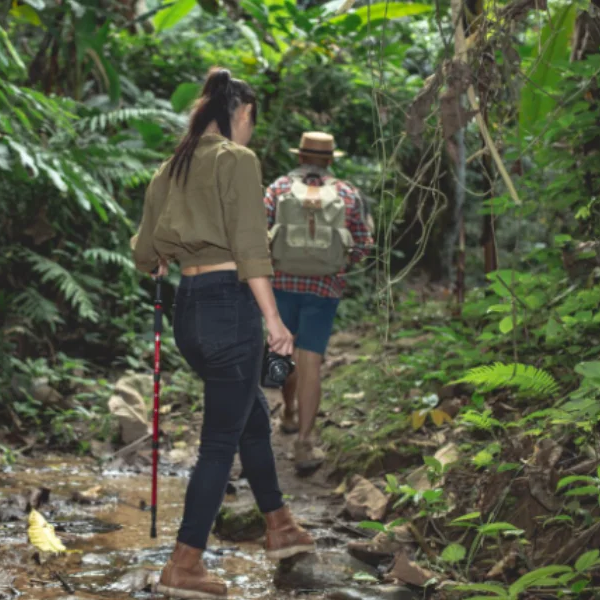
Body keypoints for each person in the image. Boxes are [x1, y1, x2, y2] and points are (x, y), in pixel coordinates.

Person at [132, 67, 316, 599]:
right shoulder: (237, 160)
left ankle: (279, 524)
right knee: (218, 442)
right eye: (251, 123)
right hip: (230, 310)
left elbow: (145, 253)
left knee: (249, 419)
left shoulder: (170, 168)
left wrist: (170, 250)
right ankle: (185, 562)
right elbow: (250, 248)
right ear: (240, 114)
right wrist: (275, 322)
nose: (250, 133)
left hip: (187, 314)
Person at [263, 131, 373, 473]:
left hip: (280, 286)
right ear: (329, 161)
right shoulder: (347, 193)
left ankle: (289, 411)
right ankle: (305, 443)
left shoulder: (278, 189)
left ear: (299, 157)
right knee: (309, 361)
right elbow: (361, 246)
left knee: (285, 350)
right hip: (323, 290)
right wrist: (343, 263)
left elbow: (258, 235)